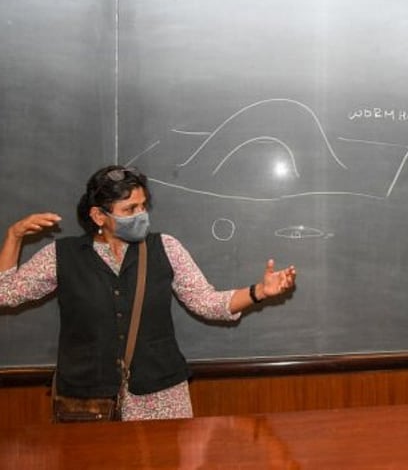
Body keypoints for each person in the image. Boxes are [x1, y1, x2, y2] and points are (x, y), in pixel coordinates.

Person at [0, 165, 297, 421]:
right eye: (129, 210)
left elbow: (208, 303)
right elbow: (5, 293)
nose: (140, 215)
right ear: (99, 216)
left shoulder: (165, 248)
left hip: (162, 398)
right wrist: (14, 237)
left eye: (143, 206)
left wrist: (260, 291)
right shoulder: (62, 256)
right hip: (87, 404)